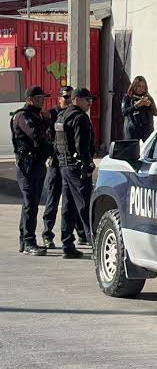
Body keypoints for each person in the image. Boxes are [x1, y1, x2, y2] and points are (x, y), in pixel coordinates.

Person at [41, 86, 86, 249]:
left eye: (70, 97)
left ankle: (81, 234)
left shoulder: (75, 114)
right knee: (52, 200)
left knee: (73, 201)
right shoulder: (53, 114)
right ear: (59, 98)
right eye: (65, 97)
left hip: (69, 164)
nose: (68, 100)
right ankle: (47, 235)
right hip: (56, 163)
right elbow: (44, 135)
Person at [11, 86, 54, 256]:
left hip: (37, 164)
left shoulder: (36, 116)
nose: (42, 101)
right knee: (30, 204)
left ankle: (25, 241)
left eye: (43, 98)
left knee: (32, 204)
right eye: (38, 98)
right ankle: (28, 242)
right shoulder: (23, 116)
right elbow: (36, 134)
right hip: (27, 166)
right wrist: (45, 121)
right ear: (29, 99)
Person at [55, 88, 97, 259]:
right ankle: (96, 244)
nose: (90, 103)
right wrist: (87, 164)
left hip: (64, 166)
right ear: (77, 100)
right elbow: (82, 145)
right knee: (86, 205)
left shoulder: (62, 116)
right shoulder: (80, 118)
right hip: (77, 168)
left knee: (69, 206)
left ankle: (67, 245)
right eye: (87, 99)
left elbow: (56, 142)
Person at [122, 76, 157, 141]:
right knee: (132, 147)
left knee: (150, 146)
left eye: (143, 87)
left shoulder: (147, 97)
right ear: (134, 86)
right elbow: (124, 112)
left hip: (146, 129)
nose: (141, 89)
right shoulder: (128, 97)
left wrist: (150, 105)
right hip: (132, 129)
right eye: (139, 86)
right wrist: (136, 105)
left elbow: (155, 113)